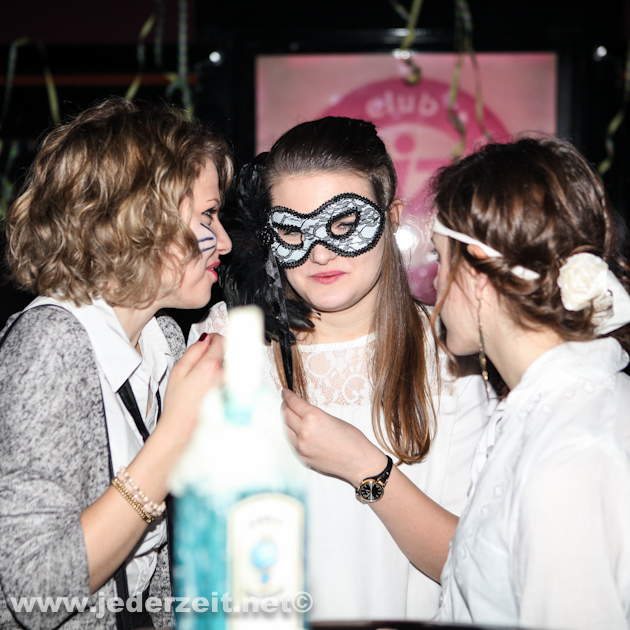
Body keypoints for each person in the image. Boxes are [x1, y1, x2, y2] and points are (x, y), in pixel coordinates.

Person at [282, 136, 630, 629]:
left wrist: (364, 467)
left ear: (479, 274)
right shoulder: (537, 415)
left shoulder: (573, 452)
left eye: (442, 260)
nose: (434, 283)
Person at [189, 116, 491, 621]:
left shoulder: (450, 354)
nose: (321, 253)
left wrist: (364, 466)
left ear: (392, 218)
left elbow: (471, 564)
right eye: (291, 230)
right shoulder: (231, 344)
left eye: (345, 225)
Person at [0, 97, 233, 630]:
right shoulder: (48, 346)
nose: (223, 240)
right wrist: (175, 433)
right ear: (139, 219)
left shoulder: (161, 339)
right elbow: (36, 593)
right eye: (207, 215)